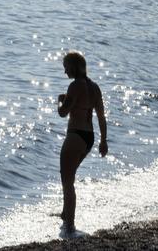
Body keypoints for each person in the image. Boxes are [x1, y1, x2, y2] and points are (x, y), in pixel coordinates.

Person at [57, 51, 108, 234]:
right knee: (69, 176)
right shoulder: (95, 87)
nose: (65, 71)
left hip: (75, 136)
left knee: (67, 180)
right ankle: (65, 213)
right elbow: (101, 117)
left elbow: (63, 113)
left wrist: (59, 101)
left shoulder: (74, 86)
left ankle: (69, 225)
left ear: (75, 66)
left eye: (66, 67)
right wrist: (103, 141)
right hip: (89, 138)